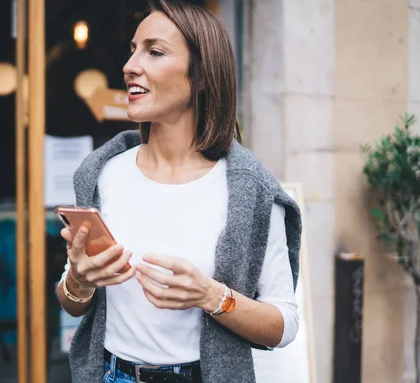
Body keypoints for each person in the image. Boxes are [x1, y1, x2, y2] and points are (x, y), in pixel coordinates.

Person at [56, 1, 302, 382]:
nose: (130, 66)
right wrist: (79, 280)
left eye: (154, 52)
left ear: (202, 77)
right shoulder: (101, 174)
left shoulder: (250, 189)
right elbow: (71, 301)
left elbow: (284, 325)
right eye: (132, 50)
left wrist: (211, 296)